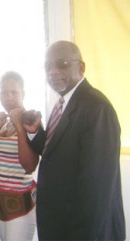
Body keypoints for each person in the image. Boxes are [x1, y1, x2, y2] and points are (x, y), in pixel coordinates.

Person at [27, 40, 125, 240]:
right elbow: (57, 153)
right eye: (48, 66)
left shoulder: (96, 108)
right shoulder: (63, 103)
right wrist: (35, 132)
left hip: (80, 231)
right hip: (60, 224)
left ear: (80, 67)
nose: (52, 71)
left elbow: (97, 189)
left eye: (61, 63)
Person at [0, 71, 41, 241]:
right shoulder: (3, 122)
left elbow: (29, 166)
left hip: (20, 200)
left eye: (14, 92)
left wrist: (20, 128)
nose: (9, 97)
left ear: (23, 94)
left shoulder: (31, 121)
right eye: (4, 93)